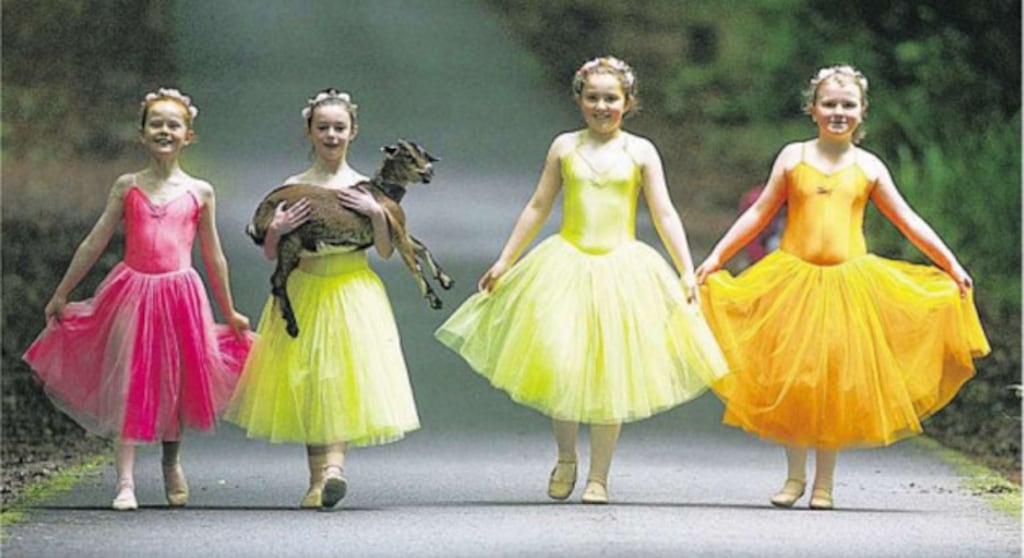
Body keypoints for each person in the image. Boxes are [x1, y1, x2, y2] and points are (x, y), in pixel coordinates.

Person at [694, 65, 990, 510]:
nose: (838, 112)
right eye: (829, 104)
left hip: (848, 286)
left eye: (847, 105)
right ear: (812, 109)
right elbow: (758, 215)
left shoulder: (868, 167)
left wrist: (949, 262)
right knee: (797, 379)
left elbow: (907, 220)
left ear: (861, 112)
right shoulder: (793, 158)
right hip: (792, 282)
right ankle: (794, 477)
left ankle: (824, 485)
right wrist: (716, 257)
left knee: (832, 382)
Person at [435, 57, 729, 504]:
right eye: (593, 97)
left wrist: (687, 268)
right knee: (562, 361)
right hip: (566, 262)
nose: (601, 106)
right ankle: (567, 455)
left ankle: (599, 476)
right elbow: (538, 205)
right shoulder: (564, 148)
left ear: (628, 103)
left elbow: (664, 211)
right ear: (579, 100)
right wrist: (506, 259)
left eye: (611, 98)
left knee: (611, 370)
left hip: (621, 266)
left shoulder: (641, 151)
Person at [23, 88, 252, 511]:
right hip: (132, 291)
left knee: (176, 379)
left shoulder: (200, 192)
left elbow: (213, 255)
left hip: (180, 292)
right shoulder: (127, 186)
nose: (164, 131)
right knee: (129, 379)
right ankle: (125, 482)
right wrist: (63, 291)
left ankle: (171, 461)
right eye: (156, 124)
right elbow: (95, 241)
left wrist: (230, 309)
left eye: (173, 125)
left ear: (188, 135)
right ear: (142, 134)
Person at [224, 89, 420, 510]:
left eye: (339, 128)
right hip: (305, 288)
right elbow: (273, 253)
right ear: (309, 132)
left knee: (341, 377)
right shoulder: (294, 188)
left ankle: (334, 468)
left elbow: (385, 250)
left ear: (353, 132)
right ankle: (317, 481)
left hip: (351, 289)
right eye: (323, 128)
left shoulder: (365, 189)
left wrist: (374, 214)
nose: (332, 136)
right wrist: (275, 228)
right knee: (309, 381)